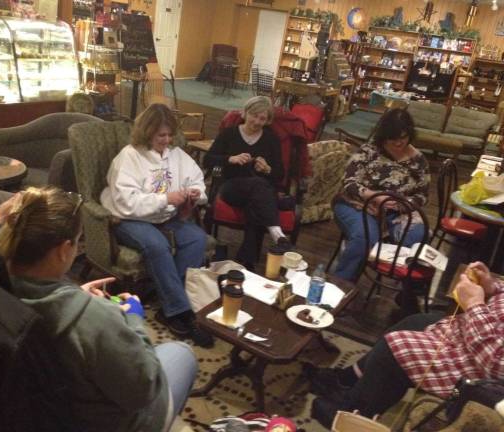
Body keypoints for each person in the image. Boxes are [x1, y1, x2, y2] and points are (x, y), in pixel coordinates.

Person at [0, 186, 198, 432]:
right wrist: (133, 320)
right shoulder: (95, 318)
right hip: (99, 423)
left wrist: (76, 296)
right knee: (182, 353)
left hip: (39, 414)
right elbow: (144, 391)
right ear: (63, 250)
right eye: (78, 241)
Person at [309, 261, 504, 429]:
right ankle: (347, 379)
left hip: (485, 373)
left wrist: (474, 304)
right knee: (416, 321)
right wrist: (492, 287)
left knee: (395, 347)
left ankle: (356, 413)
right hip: (478, 333)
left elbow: (495, 362)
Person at [100, 103, 213, 347]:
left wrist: (195, 194)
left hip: (165, 216)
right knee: (157, 245)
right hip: (129, 218)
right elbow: (126, 202)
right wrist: (165, 199)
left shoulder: (177, 155)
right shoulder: (129, 158)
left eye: (170, 135)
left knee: (197, 238)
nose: (167, 140)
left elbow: (198, 181)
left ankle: (170, 302)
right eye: (161, 135)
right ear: (146, 132)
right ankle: (179, 312)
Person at [332, 109, 430, 281]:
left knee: (418, 238)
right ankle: (340, 284)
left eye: (404, 137)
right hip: (358, 204)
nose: (399, 143)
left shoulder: (418, 159)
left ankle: (408, 291)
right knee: (365, 236)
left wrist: (403, 203)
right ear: (384, 136)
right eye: (393, 139)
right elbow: (349, 183)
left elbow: (422, 194)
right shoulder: (369, 151)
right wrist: (374, 196)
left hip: (398, 211)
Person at [204, 96, 291, 269]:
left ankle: (247, 259)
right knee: (261, 188)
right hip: (231, 187)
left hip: (260, 191)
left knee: (257, 197)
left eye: (262, 118)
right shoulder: (229, 133)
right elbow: (208, 160)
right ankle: (276, 232)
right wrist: (231, 159)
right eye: (254, 115)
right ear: (245, 113)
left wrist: (267, 169)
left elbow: (279, 174)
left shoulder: (270, 138)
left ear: (267, 121)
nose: (257, 121)